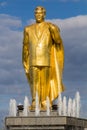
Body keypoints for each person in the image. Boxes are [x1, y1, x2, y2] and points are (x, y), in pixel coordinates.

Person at [22, 6, 64, 110]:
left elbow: (58, 41)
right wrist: (24, 61)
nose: (38, 15)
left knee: (45, 82)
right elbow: (25, 46)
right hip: (33, 60)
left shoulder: (50, 27)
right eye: (36, 13)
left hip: (46, 60)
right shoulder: (28, 29)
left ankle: (45, 101)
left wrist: (55, 30)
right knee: (34, 82)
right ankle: (35, 101)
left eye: (40, 13)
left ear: (44, 14)